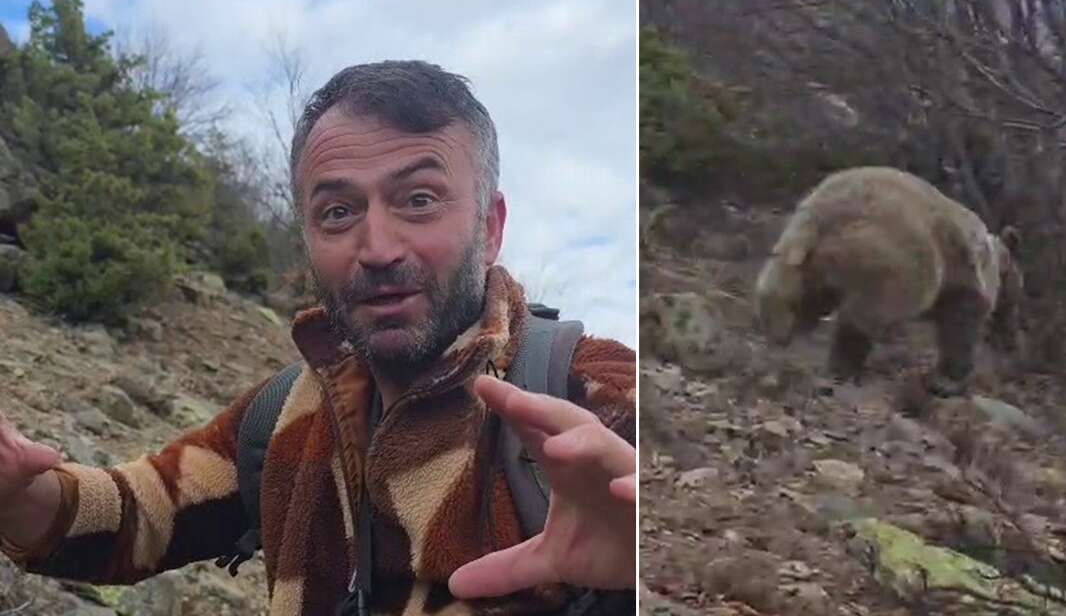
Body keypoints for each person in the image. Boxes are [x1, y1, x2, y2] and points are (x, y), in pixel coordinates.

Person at [0, 60, 637, 615]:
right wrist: (18, 492)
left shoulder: (595, 398)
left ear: (490, 227)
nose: (378, 248)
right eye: (338, 212)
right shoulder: (282, 417)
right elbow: (140, 513)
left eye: (419, 199)